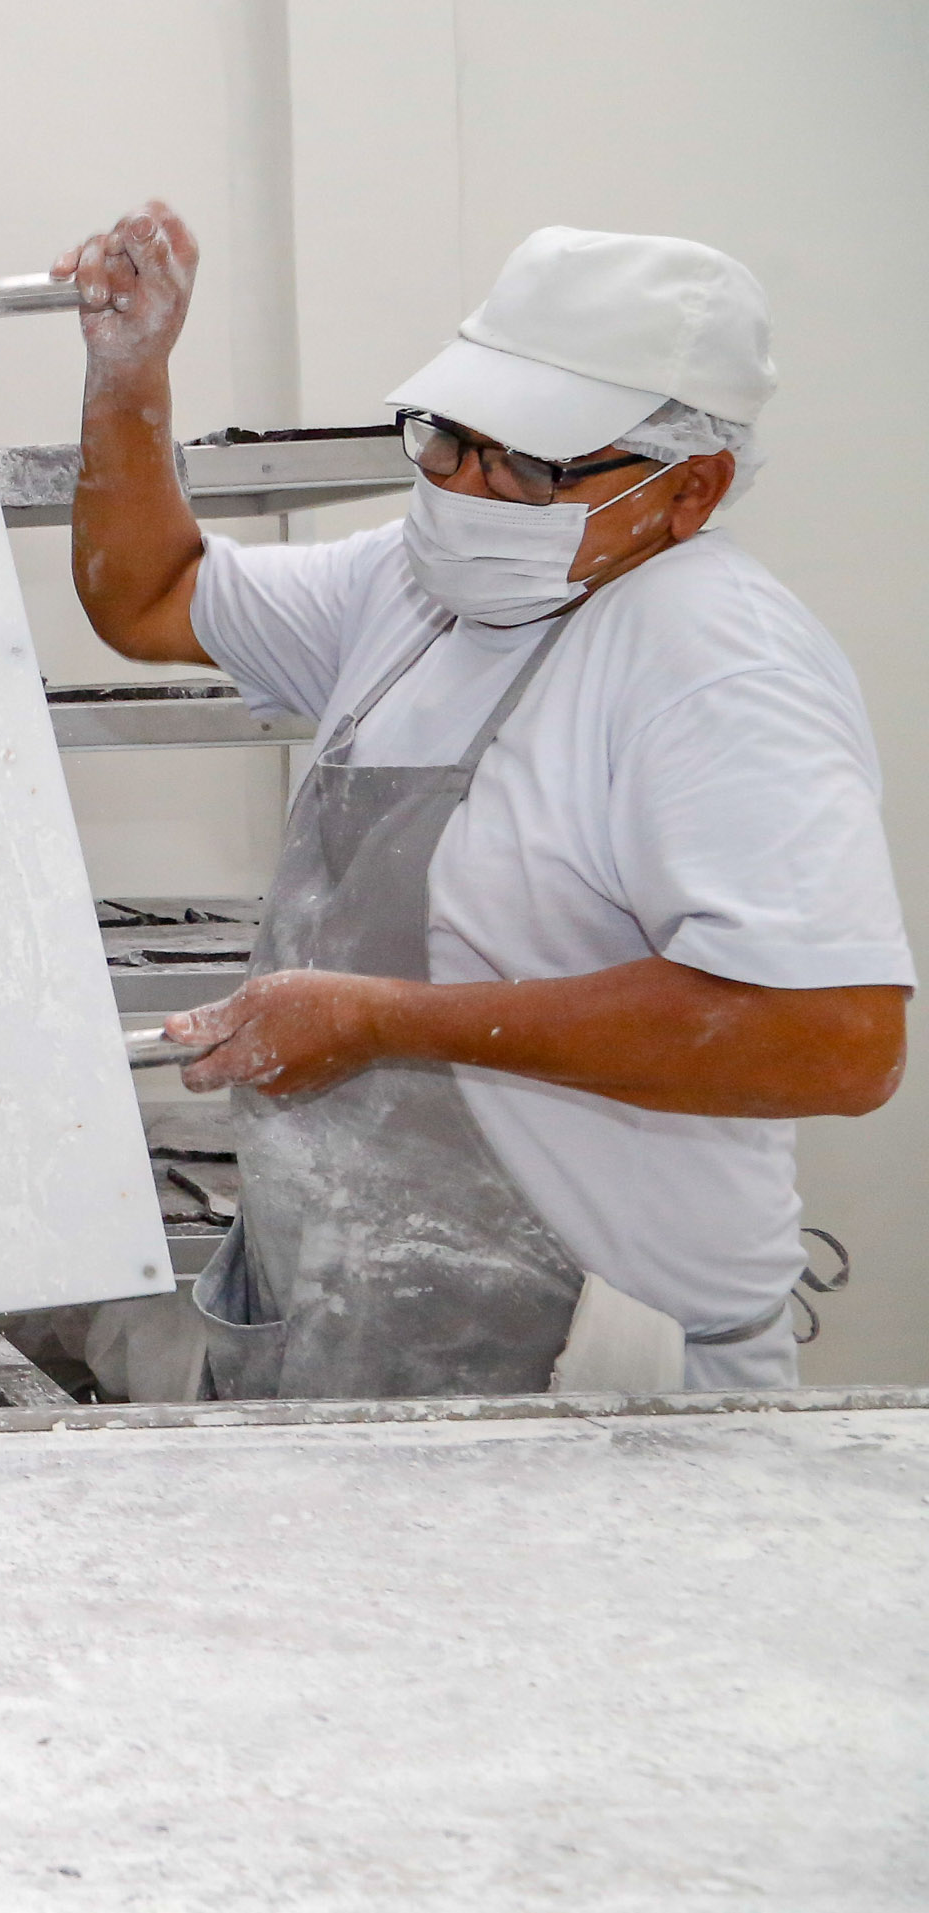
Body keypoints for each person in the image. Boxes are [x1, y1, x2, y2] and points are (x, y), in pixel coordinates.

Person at [59, 210, 908, 1400]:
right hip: (349, 1332)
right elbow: (149, 597)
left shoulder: (715, 660)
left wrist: (391, 1019)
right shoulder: (410, 587)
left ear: (691, 489)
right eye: (447, 438)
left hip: (591, 1387)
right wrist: (129, 374)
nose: (465, 485)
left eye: (529, 463)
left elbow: (837, 1036)